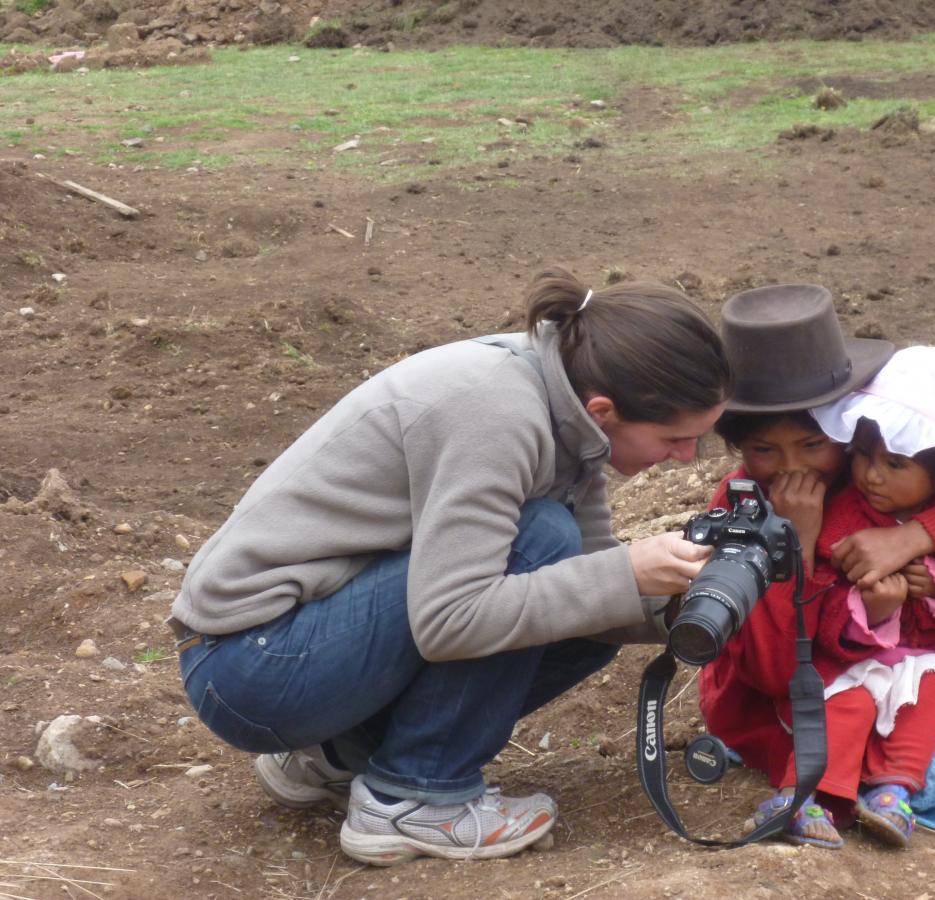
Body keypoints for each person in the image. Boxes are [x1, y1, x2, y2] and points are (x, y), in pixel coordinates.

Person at [167, 266, 732, 865]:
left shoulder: (568, 410)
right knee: (542, 538)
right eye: (675, 438)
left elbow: (590, 590)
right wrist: (623, 575)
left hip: (292, 648)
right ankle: (415, 799)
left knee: (586, 608)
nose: (686, 457)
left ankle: (337, 754)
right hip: (251, 665)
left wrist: (690, 604)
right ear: (604, 409)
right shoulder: (495, 411)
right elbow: (453, 620)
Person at [696, 286, 935, 848]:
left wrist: (910, 538)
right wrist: (797, 545)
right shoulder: (739, 510)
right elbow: (773, 670)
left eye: (813, 442)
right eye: (764, 452)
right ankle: (813, 798)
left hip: (889, 665)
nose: (792, 469)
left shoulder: (874, 472)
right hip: (787, 690)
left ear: (849, 425)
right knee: (889, 736)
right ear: (738, 447)